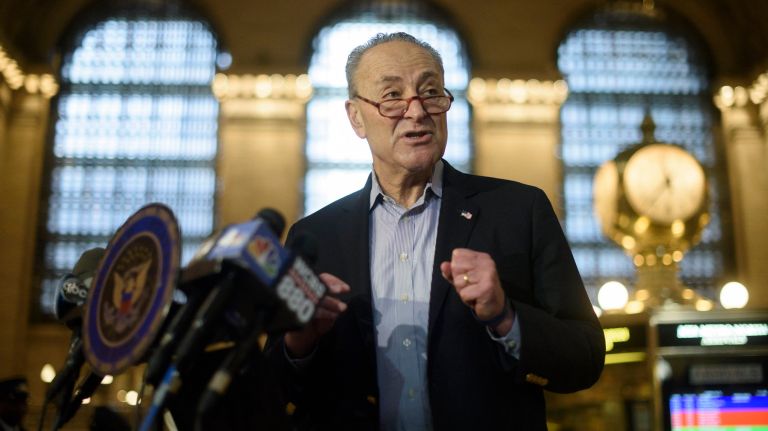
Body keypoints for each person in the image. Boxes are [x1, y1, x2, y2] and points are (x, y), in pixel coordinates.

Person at [267, 32, 604, 430]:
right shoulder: (315, 236)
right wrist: (299, 344)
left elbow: (584, 358)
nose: (417, 111)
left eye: (430, 92)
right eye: (392, 96)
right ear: (356, 116)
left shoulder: (518, 211)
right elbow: (273, 390)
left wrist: (505, 318)